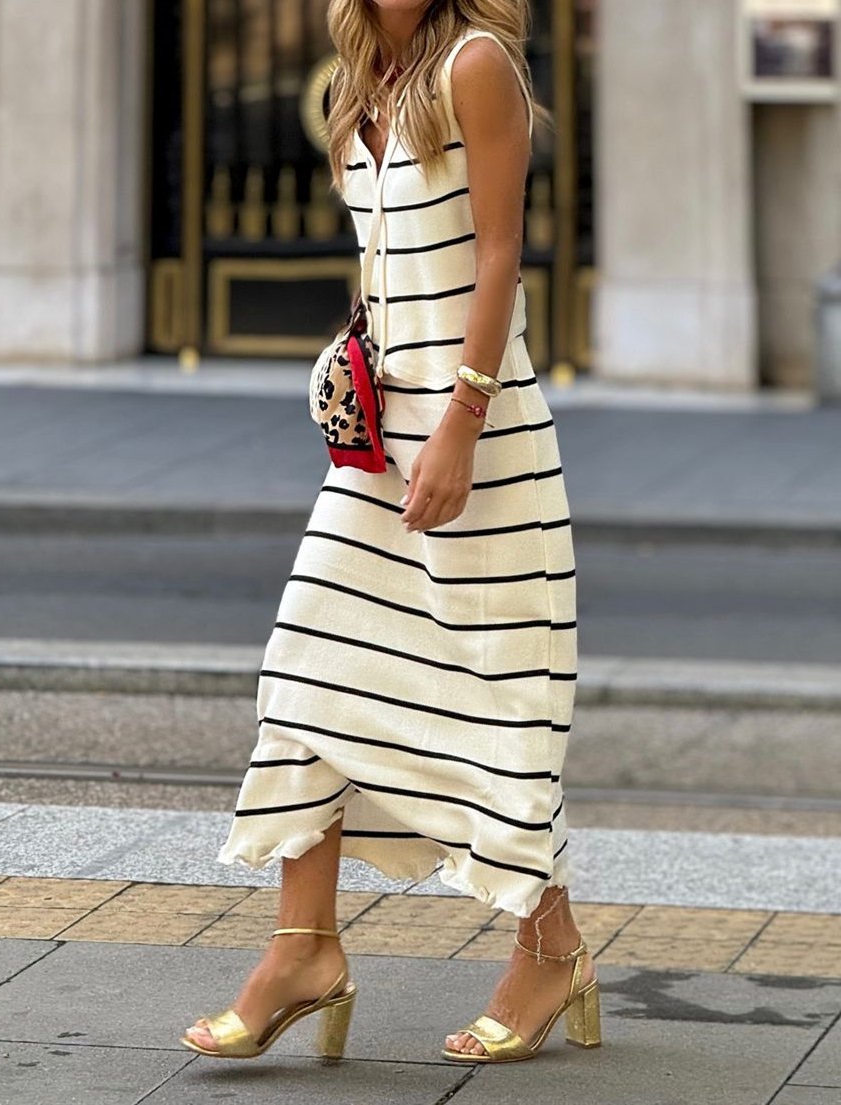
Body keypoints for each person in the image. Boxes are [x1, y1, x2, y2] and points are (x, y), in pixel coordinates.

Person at [181, 0, 600, 1065]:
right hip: (379, 445)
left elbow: (502, 254)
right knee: (310, 669)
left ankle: (549, 953)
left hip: (482, 439)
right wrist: (355, 362)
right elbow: (391, 265)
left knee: (494, 701)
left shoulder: (476, 66)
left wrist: (460, 423)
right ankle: (302, 948)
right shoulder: (354, 81)